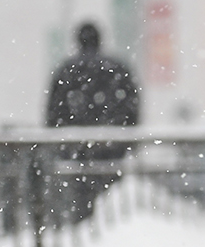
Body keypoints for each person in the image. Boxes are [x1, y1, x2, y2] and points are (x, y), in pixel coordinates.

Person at [46, 23, 139, 224]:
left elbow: (54, 113)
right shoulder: (117, 68)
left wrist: (62, 142)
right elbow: (132, 109)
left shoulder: (66, 70)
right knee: (112, 204)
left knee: (80, 202)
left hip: (77, 151)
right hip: (112, 149)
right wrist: (126, 141)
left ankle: (84, 230)